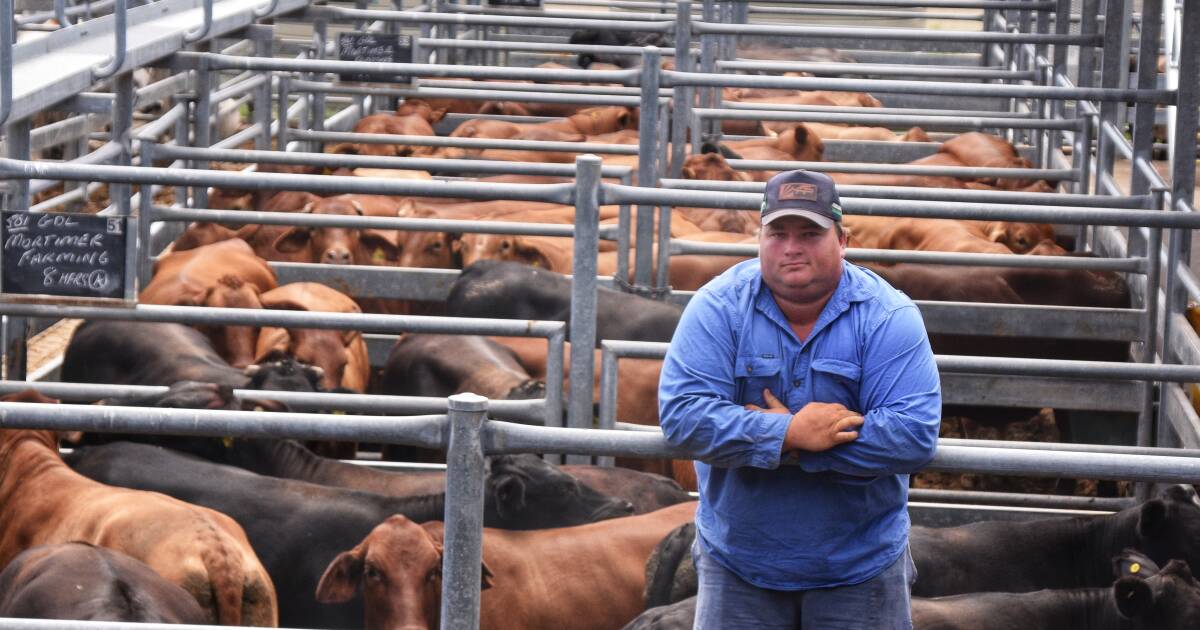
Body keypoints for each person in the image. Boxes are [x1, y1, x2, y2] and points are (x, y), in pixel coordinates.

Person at [658, 169, 942, 630]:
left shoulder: (888, 315)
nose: (792, 247)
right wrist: (789, 432)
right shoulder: (719, 307)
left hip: (858, 566)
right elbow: (684, 417)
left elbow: (912, 435)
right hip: (739, 564)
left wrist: (802, 442)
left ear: (842, 240)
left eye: (810, 233)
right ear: (760, 237)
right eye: (779, 233)